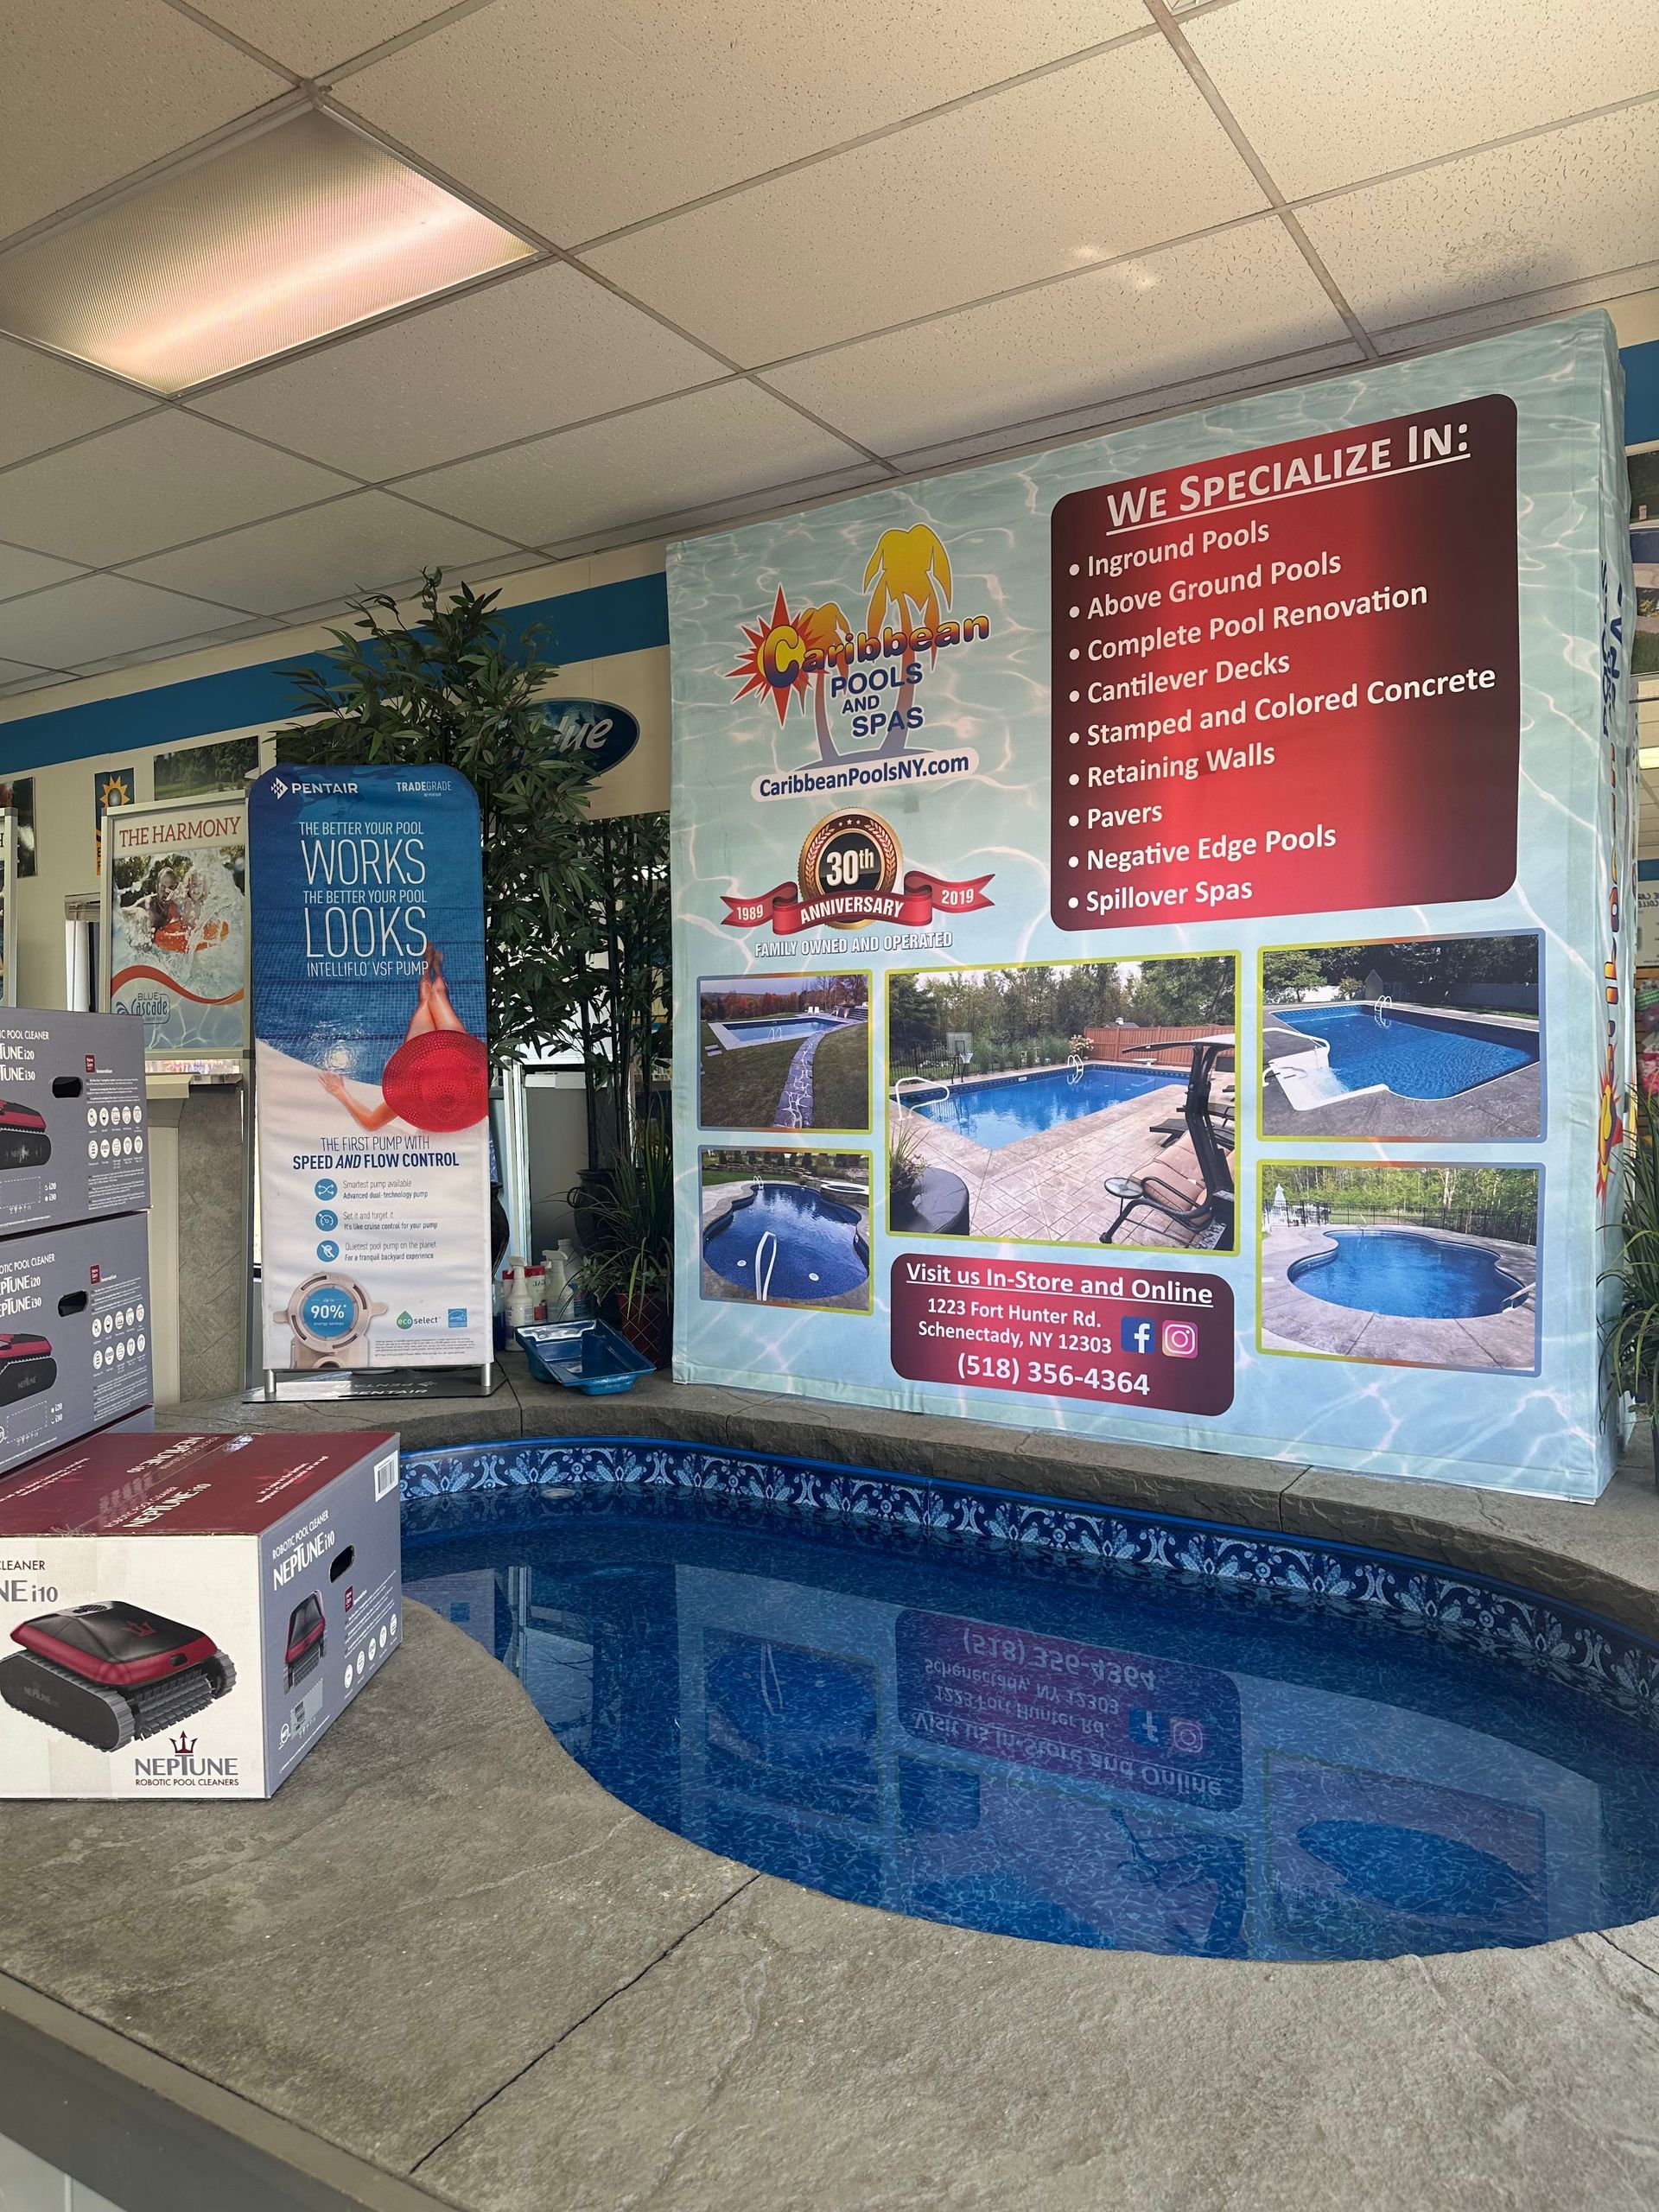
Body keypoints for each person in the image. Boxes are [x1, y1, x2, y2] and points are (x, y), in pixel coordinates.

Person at [319, 944, 486, 1135]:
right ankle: (436, 969)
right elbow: (370, 1123)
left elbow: (370, 1123)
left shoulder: (409, 1095)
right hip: (453, 1048)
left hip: (421, 1050)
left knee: (426, 1000)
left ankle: (427, 971)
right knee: (438, 994)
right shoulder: (472, 1079)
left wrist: (339, 1091)